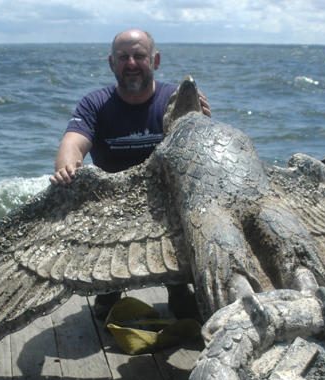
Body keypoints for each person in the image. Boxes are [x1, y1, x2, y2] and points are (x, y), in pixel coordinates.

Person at [51, 28, 210, 320]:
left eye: (139, 56)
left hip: (165, 201)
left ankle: (178, 288)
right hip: (113, 203)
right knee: (103, 311)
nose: (132, 63)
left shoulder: (175, 100)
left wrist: (201, 123)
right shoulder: (94, 104)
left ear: (155, 60)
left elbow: (201, 153)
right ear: (112, 63)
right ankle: (108, 289)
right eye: (123, 57)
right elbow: (72, 141)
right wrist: (67, 167)